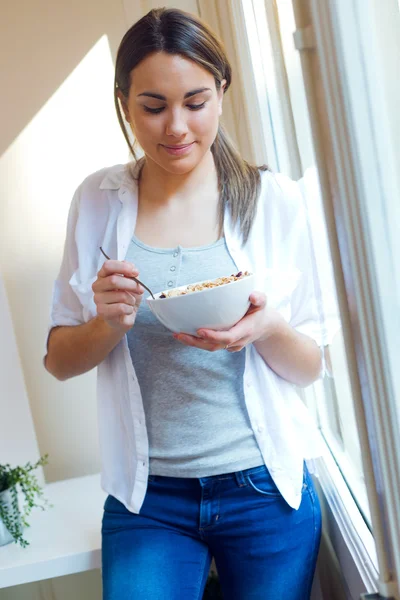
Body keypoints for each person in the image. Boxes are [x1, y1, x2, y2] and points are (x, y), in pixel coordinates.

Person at [45, 7, 338, 600]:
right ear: (124, 101)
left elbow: (311, 366)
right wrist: (107, 323)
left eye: (196, 102)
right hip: (149, 499)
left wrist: (265, 327)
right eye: (153, 106)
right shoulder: (98, 202)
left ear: (223, 91)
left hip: (265, 490)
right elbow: (58, 359)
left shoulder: (275, 201)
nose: (175, 126)